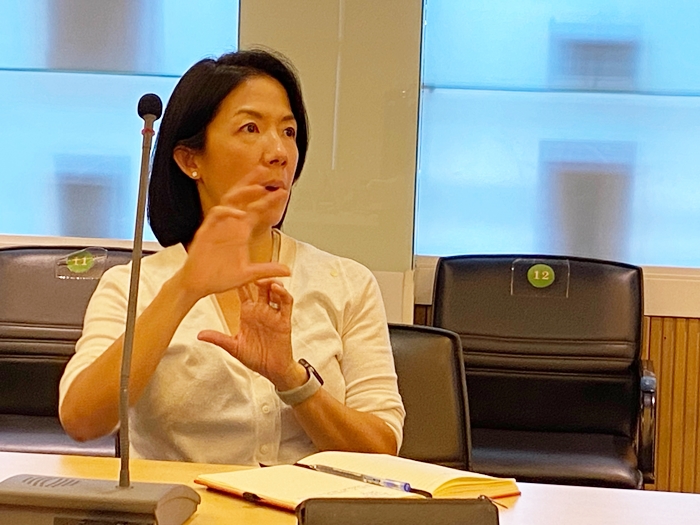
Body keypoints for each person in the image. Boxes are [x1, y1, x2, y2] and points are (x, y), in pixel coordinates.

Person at [58, 49, 405, 466]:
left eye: (289, 132)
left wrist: (291, 379)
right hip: (184, 503)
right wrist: (183, 290)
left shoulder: (346, 283)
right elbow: (82, 420)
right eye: (251, 128)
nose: (279, 152)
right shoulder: (132, 286)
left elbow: (382, 448)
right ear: (190, 160)